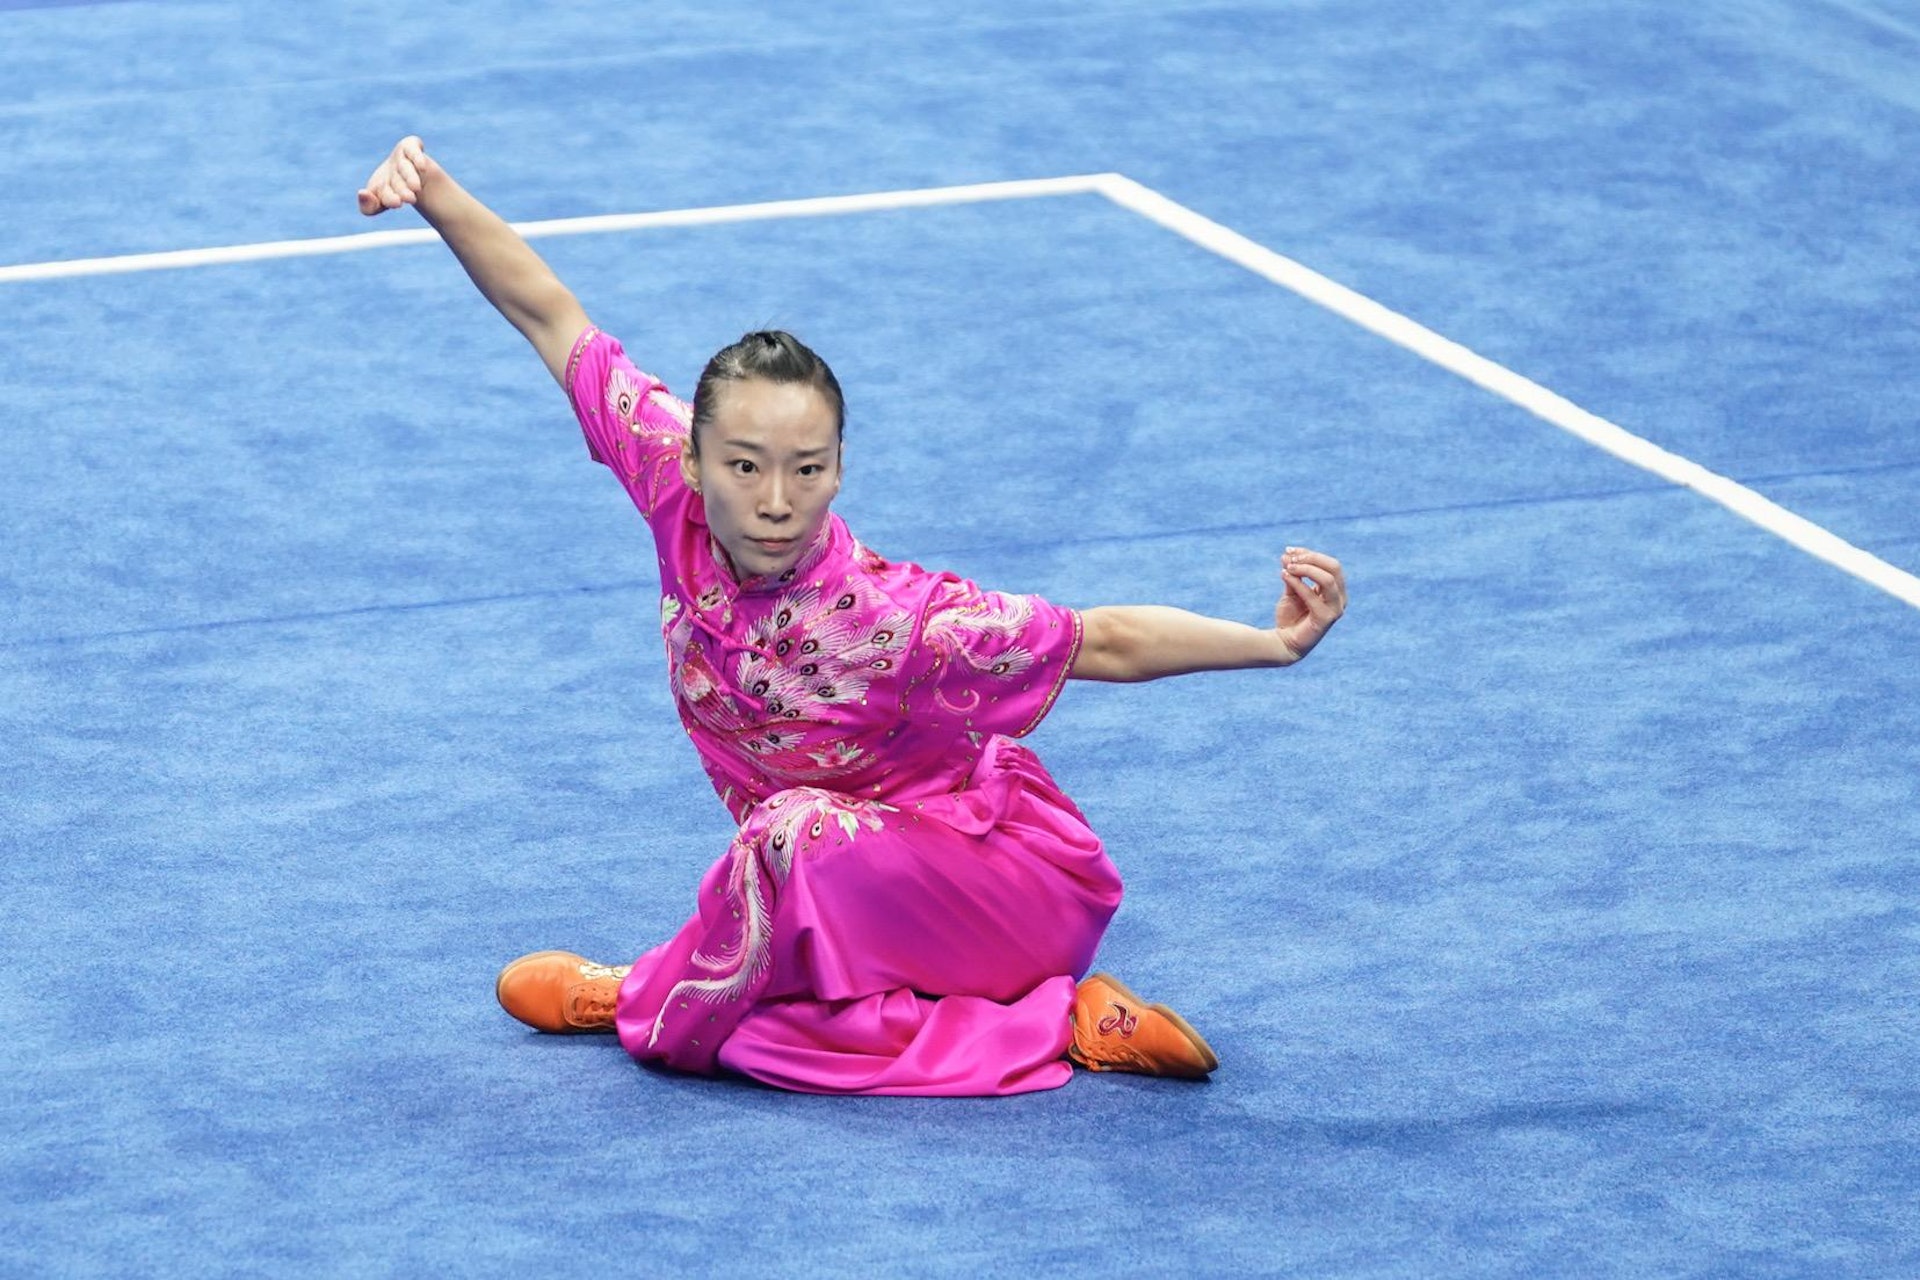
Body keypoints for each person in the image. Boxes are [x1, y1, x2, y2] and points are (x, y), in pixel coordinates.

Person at [358, 136, 1348, 1097]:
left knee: (781, 850)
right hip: (839, 892)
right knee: (768, 977)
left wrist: (1273, 642)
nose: (775, 501)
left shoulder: (898, 620)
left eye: (807, 469)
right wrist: (434, 189)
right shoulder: (666, 480)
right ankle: (682, 989)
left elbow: (1108, 638)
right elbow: (550, 314)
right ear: (692, 460)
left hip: (999, 893)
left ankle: (1034, 1013)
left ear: (839, 468)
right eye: (744, 466)